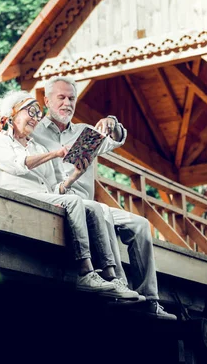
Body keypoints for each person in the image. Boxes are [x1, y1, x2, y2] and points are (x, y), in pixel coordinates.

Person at [32, 76, 178, 320]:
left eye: (72, 99)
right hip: (58, 200)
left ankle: (150, 300)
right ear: (47, 100)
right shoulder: (34, 132)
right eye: (61, 98)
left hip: (89, 202)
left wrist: (113, 122)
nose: (67, 103)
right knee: (101, 214)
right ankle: (119, 285)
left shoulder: (84, 132)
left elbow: (118, 139)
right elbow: (12, 137)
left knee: (141, 225)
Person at [0, 90, 139, 300]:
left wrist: (75, 175)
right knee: (75, 201)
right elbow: (18, 165)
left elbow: (54, 190)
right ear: (13, 112)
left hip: (41, 198)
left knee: (92, 206)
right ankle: (85, 272)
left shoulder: (36, 146)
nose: (36, 118)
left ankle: (112, 276)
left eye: (39, 114)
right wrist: (55, 153)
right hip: (15, 196)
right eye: (32, 112)